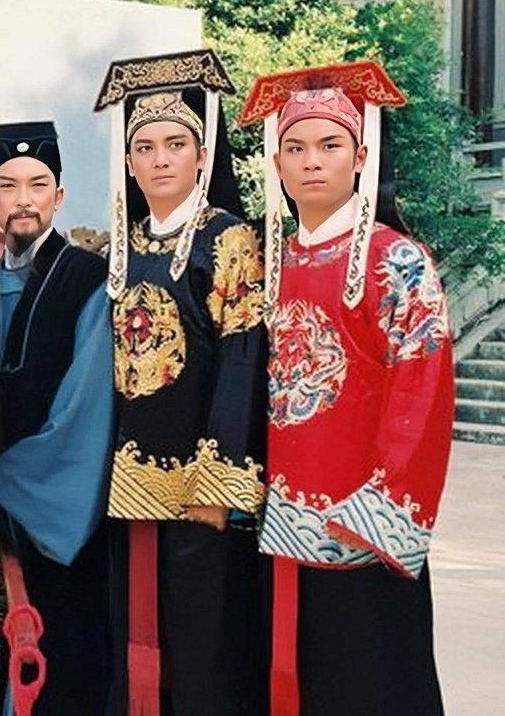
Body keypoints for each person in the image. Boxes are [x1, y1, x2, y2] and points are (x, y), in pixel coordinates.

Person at [237, 61, 452, 716]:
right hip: (280, 523)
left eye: (330, 145)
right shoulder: (267, 262)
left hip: (362, 529)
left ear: (361, 157)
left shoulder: (398, 261)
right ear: (276, 163)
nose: (312, 162)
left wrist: (377, 509)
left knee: (371, 686)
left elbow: (423, 392)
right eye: (296, 148)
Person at [94, 49, 269, 715]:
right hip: (126, 482)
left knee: (203, 648)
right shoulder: (119, 246)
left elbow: (242, 358)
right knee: (135, 642)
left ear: (202, 155)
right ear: (129, 161)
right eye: (146, 147)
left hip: (199, 484)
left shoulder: (228, 240)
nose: (161, 159)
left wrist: (220, 486)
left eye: (176, 145)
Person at [0, 121, 114, 715]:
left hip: (57, 522)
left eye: (37, 185)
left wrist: (6, 482)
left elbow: (87, 409)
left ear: (60, 196)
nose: (23, 200)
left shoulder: (89, 281)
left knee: (64, 669)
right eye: (8, 186)